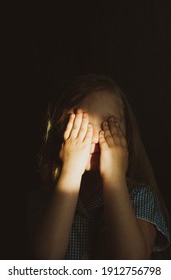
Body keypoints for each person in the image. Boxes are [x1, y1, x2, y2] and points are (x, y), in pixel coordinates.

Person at [28, 74, 170, 260]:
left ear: (126, 135)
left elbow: (132, 265)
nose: (96, 138)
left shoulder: (140, 196)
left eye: (109, 125)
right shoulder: (42, 199)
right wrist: (71, 171)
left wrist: (114, 177)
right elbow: (44, 261)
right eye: (81, 127)